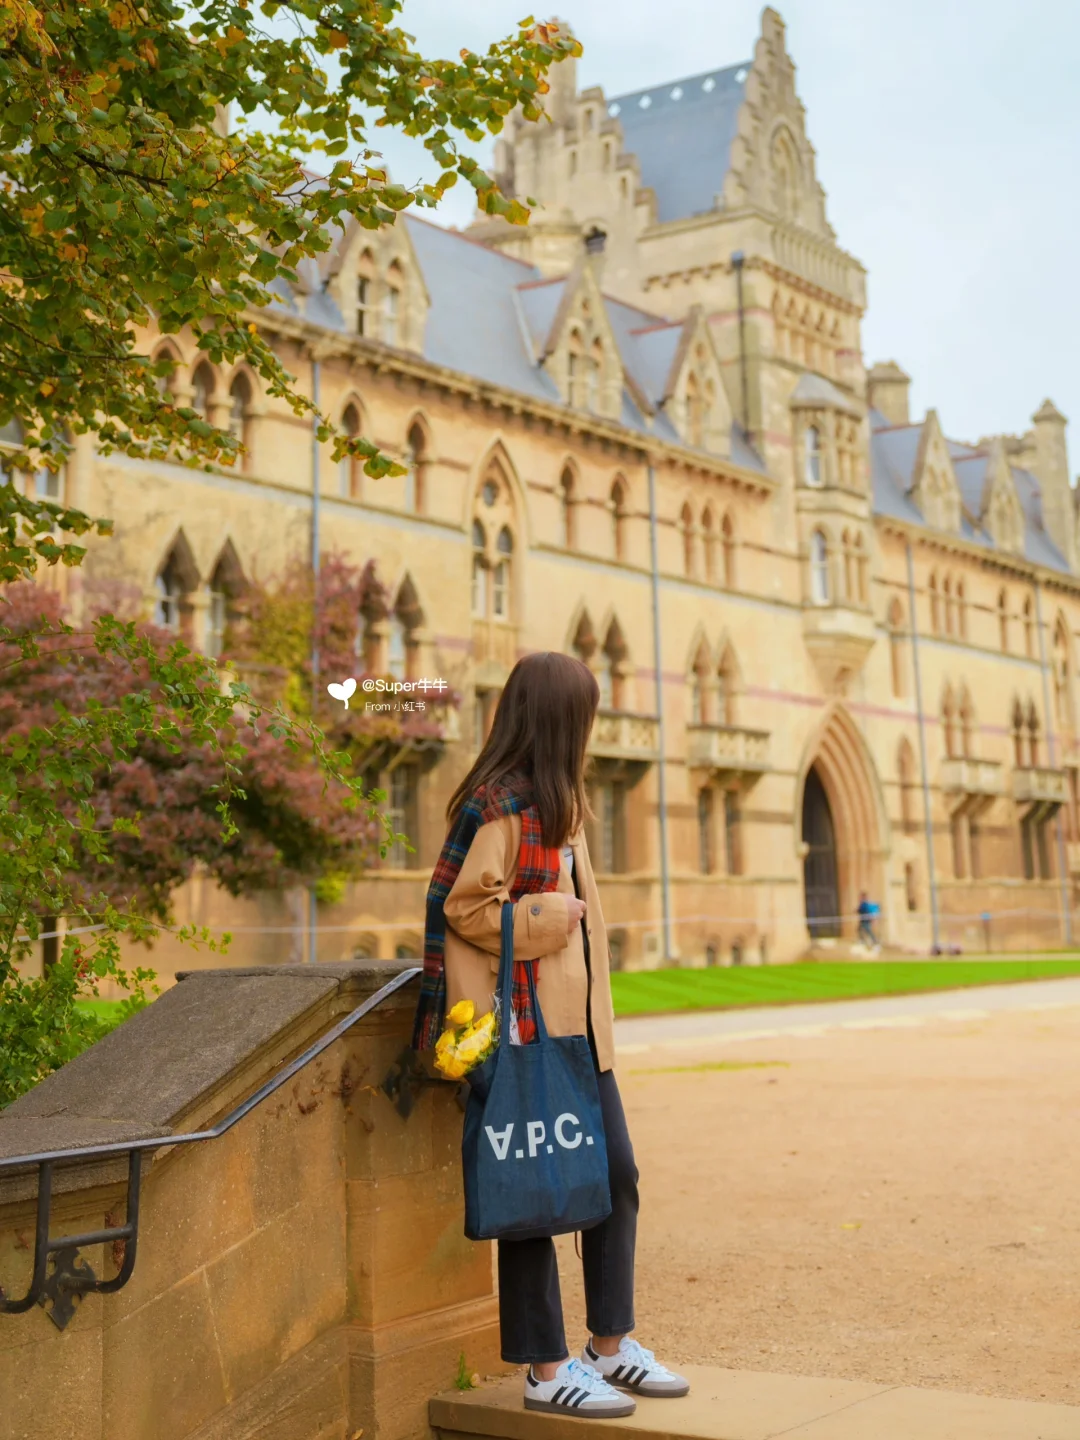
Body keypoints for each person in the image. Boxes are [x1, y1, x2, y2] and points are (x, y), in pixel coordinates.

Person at [412, 652, 689, 1418]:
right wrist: (545, 916)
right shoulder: (501, 805)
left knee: (617, 1177)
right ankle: (544, 1369)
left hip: (577, 1032)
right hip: (526, 1033)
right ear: (562, 720)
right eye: (587, 716)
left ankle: (610, 1347)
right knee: (531, 1197)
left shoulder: (559, 801)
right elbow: (461, 908)